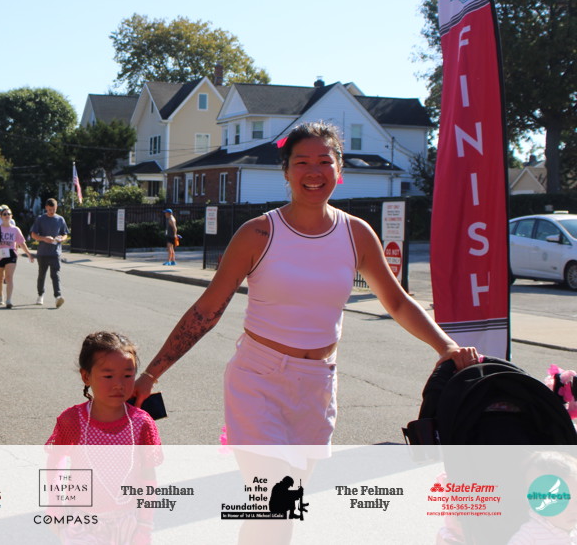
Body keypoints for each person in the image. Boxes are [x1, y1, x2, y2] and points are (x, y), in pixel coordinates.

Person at [132, 122, 478, 541]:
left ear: (339, 170)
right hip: (258, 380)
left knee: (284, 510)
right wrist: (151, 373)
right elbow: (207, 310)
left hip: (317, 385)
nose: (313, 171)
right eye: (301, 162)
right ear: (286, 171)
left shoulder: (356, 234)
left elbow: (398, 302)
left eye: (324, 161)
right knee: (273, 505)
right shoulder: (259, 233)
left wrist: (446, 347)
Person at [45, 332, 162, 544]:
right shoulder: (73, 420)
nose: (119, 384)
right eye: (108, 376)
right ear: (86, 376)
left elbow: (148, 478)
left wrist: (145, 526)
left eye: (127, 375)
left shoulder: (142, 423)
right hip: (81, 522)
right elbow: (56, 462)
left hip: (127, 524)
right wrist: (55, 507)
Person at [0, 206, 34, 309]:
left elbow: (22, 243)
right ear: (1, 216)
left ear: (11, 216)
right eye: (4, 214)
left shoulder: (15, 229)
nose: (7, 216)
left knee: (9, 277)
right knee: (0, 278)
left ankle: (9, 300)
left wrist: (28, 253)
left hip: (11, 254)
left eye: (8, 214)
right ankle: (0, 295)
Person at [30, 198, 69, 307]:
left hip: (55, 253)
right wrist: (44, 238)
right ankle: (40, 295)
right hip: (43, 253)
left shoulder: (60, 219)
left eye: (54, 209)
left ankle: (58, 296)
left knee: (55, 275)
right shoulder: (40, 219)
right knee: (42, 275)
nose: (52, 211)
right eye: (50, 209)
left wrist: (61, 239)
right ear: (46, 208)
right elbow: (33, 234)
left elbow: (65, 233)